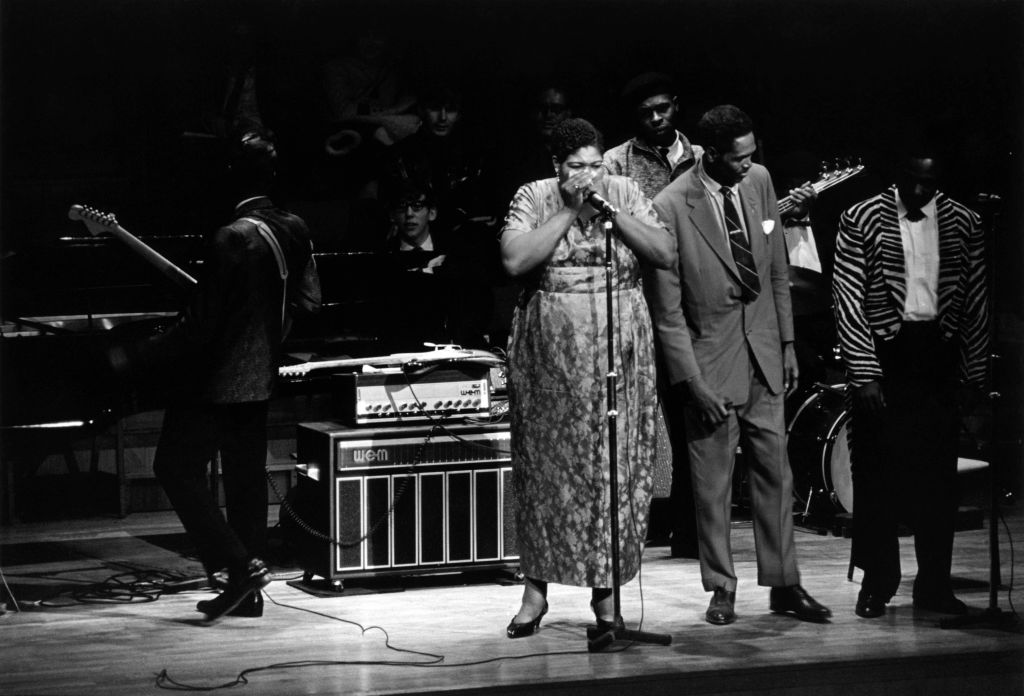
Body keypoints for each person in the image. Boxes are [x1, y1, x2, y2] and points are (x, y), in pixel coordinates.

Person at [109, 128, 321, 623]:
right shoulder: (294, 226)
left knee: (175, 469)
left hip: (215, 379)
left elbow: (198, 330)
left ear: (228, 177)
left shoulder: (233, 236)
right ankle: (248, 597)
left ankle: (241, 566)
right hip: (260, 376)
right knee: (245, 479)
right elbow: (311, 300)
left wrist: (136, 356)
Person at [649, 105, 831, 626]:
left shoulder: (760, 180)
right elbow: (667, 311)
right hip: (710, 366)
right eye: (736, 160)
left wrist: (788, 343)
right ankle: (721, 588)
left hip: (765, 356)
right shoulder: (669, 206)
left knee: (777, 473)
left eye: (751, 156)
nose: (747, 166)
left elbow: (775, 269)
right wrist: (690, 380)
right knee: (713, 487)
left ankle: (784, 585)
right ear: (709, 154)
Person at [500, 118, 675, 637]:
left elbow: (664, 254)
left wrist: (610, 211)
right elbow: (514, 260)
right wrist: (571, 210)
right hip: (551, 356)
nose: (588, 174)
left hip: (618, 347)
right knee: (547, 469)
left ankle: (607, 595)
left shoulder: (623, 190)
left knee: (611, 469)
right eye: (576, 166)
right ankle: (536, 592)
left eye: (595, 164)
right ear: (557, 166)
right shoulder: (534, 196)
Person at [832, 145, 989, 619]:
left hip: (936, 356)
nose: (921, 191)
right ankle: (877, 584)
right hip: (885, 354)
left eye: (930, 182)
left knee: (937, 482)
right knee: (877, 479)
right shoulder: (860, 217)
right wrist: (864, 372)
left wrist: (971, 374)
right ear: (898, 174)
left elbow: (977, 301)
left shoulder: (964, 221)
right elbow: (849, 298)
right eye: (913, 180)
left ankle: (935, 587)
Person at [603, 71, 704, 559]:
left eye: (663, 108)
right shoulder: (614, 163)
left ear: (676, 106)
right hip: (638, 304)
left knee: (692, 417)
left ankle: (691, 527)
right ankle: (633, 526)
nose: (657, 117)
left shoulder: (701, 158)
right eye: (646, 112)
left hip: (695, 305)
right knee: (636, 418)